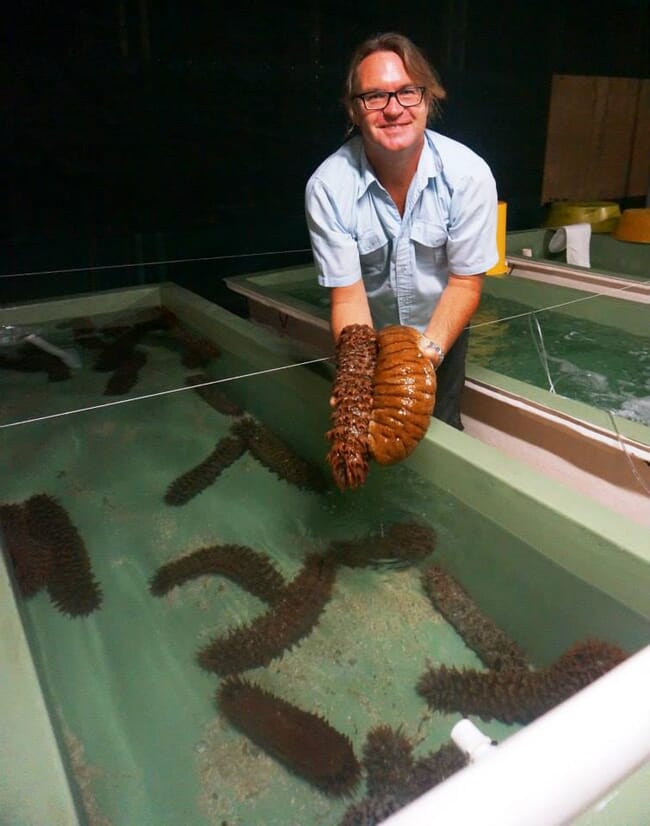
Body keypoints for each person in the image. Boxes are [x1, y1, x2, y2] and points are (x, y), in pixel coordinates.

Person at [305, 32, 498, 429]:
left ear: (428, 98)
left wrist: (423, 360)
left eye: (407, 92)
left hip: (440, 329)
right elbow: (347, 296)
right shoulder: (327, 187)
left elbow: (465, 284)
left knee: (442, 426)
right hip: (368, 336)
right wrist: (358, 376)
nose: (393, 109)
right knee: (364, 431)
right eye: (374, 96)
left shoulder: (469, 175)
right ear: (354, 110)